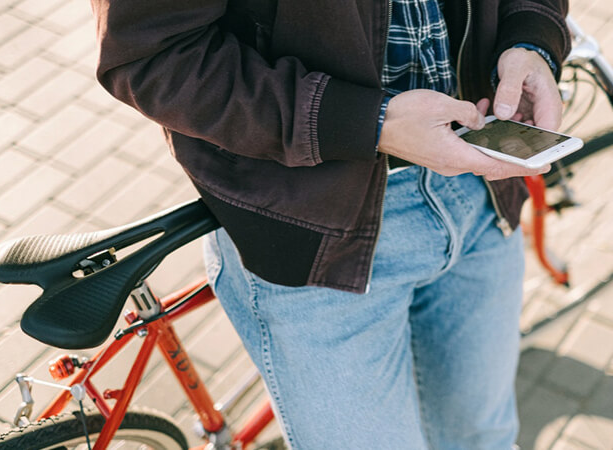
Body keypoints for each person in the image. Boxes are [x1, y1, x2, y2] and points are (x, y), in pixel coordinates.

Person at [91, 0, 570, 448]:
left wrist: (532, 37)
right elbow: (149, 57)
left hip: (480, 191)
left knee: (482, 438)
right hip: (312, 231)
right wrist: (365, 121)